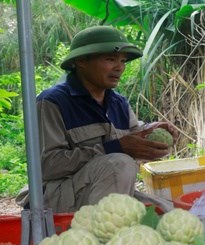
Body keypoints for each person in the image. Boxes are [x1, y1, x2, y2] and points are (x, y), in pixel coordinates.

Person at [32, 26, 178, 213]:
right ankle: (100, 238)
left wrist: (152, 131)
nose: (119, 68)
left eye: (123, 61)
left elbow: (133, 135)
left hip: (107, 191)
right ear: (81, 61)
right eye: (110, 59)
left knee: (169, 214)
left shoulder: (118, 103)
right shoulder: (52, 102)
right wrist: (114, 148)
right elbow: (47, 166)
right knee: (118, 163)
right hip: (60, 198)